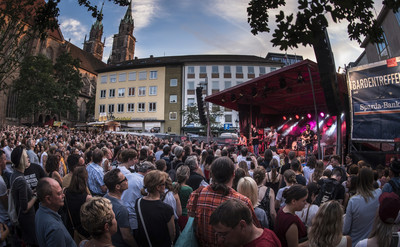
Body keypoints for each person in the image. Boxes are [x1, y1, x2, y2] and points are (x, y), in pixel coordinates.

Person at [187, 157, 260, 247]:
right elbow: (255, 234)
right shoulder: (242, 202)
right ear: (233, 174)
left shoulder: (196, 195)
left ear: (211, 175)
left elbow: (191, 223)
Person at [210, 199, 281, 247]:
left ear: (242, 225)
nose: (219, 240)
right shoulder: (267, 233)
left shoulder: (264, 244)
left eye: (223, 234)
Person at [135, 170, 175, 247]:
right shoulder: (166, 209)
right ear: (158, 187)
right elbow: (172, 234)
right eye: (164, 184)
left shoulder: (138, 202)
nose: (165, 186)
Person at [343, 168, 382, 246]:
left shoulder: (353, 201)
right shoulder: (379, 194)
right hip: (371, 243)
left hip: (355, 243)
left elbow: (346, 229)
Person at [35, 177, 76, 247]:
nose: (63, 195)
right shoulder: (55, 229)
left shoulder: (40, 211)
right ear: (48, 199)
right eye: (59, 193)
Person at [10, 146, 38, 246]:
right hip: (27, 220)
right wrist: (35, 196)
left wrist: (32, 192)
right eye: (26, 157)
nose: (28, 158)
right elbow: (24, 208)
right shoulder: (20, 179)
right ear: (22, 160)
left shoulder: (15, 174)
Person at [104, 169, 138, 247]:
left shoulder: (105, 199)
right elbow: (126, 236)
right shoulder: (121, 209)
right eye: (124, 179)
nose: (127, 180)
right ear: (117, 186)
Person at [64, 167, 92, 244]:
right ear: (85, 179)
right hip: (84, 230)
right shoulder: (87, 198)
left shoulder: (66, 192)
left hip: (70, 227)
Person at [173, 165, 193, 230]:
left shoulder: (172, 185)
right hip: (184, 215)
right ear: (187, 176)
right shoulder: (189, 189)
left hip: (174, 214)